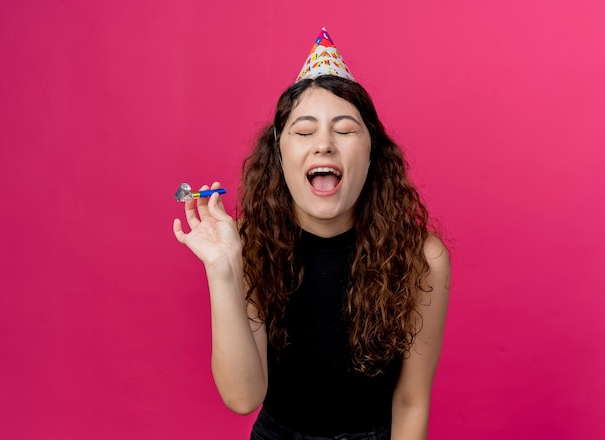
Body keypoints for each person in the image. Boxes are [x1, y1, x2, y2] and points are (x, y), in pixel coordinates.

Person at [173, 28, 450, 440]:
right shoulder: (248, 247)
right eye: (304, 132)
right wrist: (223, 269)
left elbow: (411, 402)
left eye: (344, 129)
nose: (323, 144)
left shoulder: (423, 257)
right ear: (279, 155)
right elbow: (243, 398)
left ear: (373, 153)